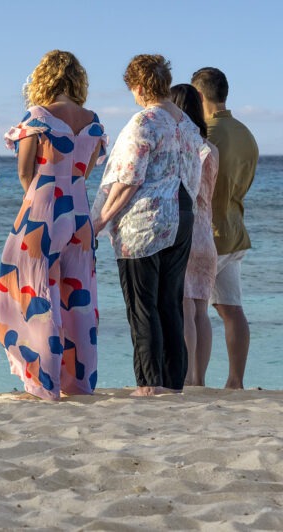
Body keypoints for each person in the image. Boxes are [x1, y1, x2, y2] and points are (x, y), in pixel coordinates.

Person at [0, 50, 106, 400]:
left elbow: (25, 170)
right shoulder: (93, 121)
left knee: (34, 291)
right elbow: (85, 172)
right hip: (80, 212)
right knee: (78, 297)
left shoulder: (38, 116)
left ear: (44, 78)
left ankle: (44, 383)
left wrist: (38, 202)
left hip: (44, 207)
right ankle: (79, 383)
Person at [93, 55, 202, 396]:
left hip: (147, 220)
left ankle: (149, 383)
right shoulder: (186, 124)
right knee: (169, 302)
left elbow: (126, 180)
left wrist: (98, 221)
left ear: (139, 88)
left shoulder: (144, 122)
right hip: (182, 214)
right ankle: (173, 381)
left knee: (142, 305)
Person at [191, 67, 258, 390]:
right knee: (233, 310)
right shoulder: (246, 133)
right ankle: (235, 381)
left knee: (195, 310)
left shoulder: (208, 135)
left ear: (200, 96)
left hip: (209, 233)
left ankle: (196, 379)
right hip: (235, 228)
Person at [169, 83, 218, 387]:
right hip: (206, 234)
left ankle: (186, 377)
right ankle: (200, 378)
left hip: (185, 231)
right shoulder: (211, 148)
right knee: (202, 310)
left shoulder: (183, 146)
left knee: (185, 308)